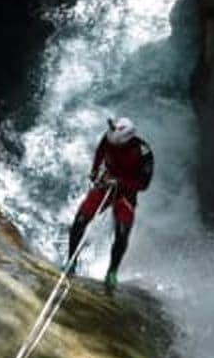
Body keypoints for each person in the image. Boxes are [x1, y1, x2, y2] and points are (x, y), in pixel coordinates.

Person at [65, 117, 154, 289]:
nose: (113, 147)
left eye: (118, 146)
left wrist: (120, 182)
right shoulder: (109, 138)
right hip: (105, 185)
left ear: (127, 141)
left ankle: (112, 272)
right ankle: (71, 261)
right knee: (80, 220)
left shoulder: (143, 152)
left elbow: (143, 184)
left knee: (122, 233)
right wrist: (95, 173)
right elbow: (100, 153)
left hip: (126, 194)